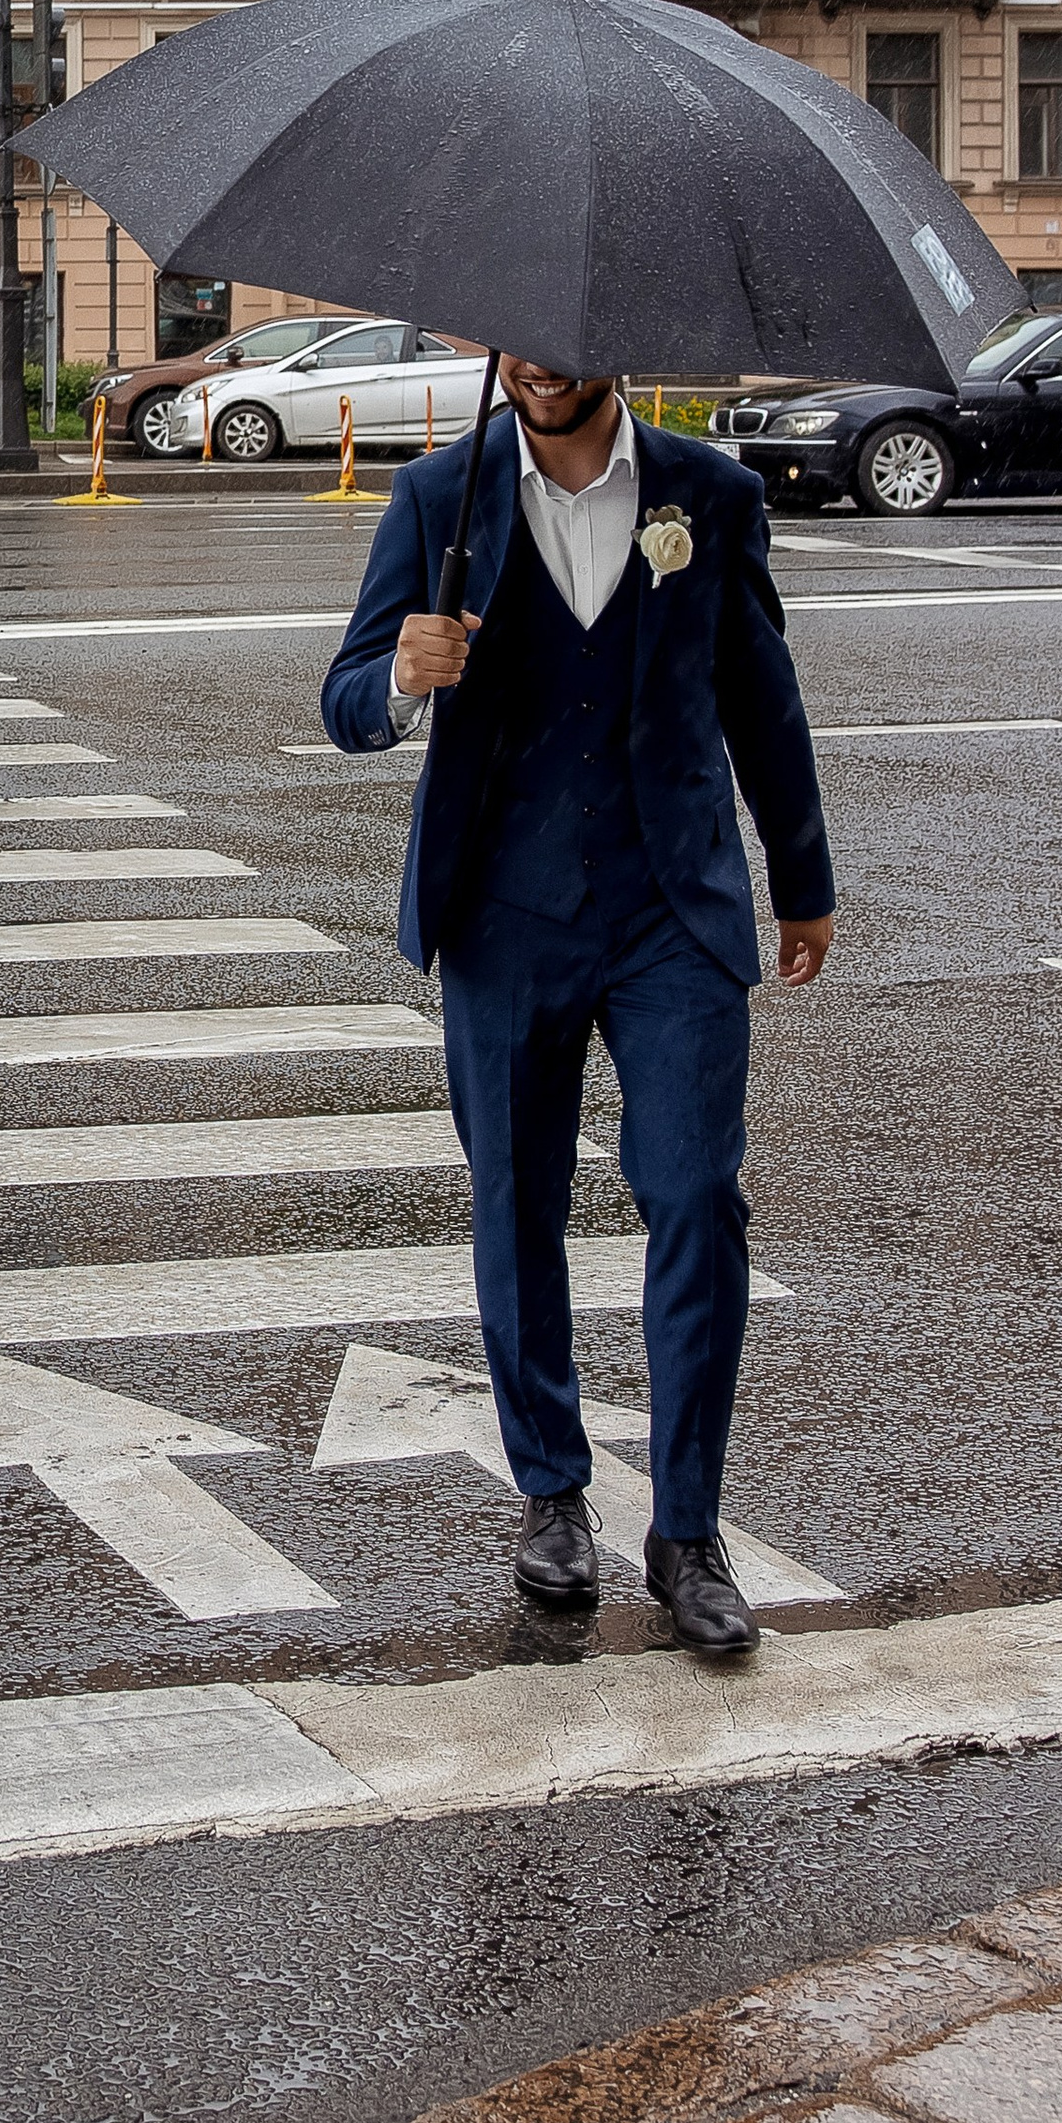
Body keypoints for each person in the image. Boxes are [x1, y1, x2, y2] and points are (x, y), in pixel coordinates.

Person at [323, 354, 834, 1656]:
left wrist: (802, 880)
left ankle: (688, 1528)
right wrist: (402, 674)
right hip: (505, 910)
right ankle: (551, 1494)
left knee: (697, 1196)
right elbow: (343, 703)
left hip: (673, 906)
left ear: (615, 343)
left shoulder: (707, 494)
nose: (542, 359)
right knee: (518, 1201)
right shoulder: (442, 497)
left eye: (567, 334)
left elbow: (760, 695)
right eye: (519, 339)